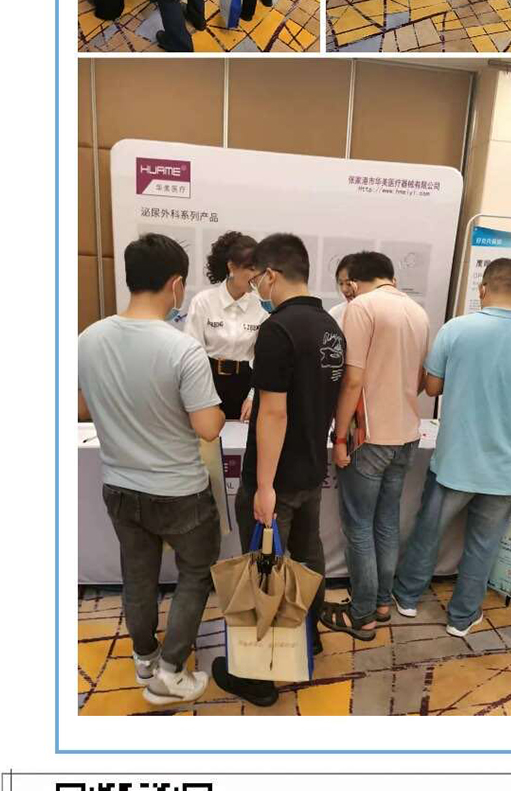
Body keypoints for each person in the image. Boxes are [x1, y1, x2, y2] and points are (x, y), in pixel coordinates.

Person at [78, 227, 222, 704]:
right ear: (176, 284)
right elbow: (208, 428)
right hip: (179, 491)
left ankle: (144, 657)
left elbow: (82, 407)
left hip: (120, 486)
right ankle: (170, 673)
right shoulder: (182, 349)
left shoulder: (89, 338)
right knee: (195, 574)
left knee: (137, 575)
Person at [393, 252, 511, 633]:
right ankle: (462, 617)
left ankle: (406, 597)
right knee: (483, 545)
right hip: (509, 468)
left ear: (483, 289)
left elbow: (432, 387)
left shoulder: (456, 329)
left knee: (428, 532)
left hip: (454, 462)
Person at [215, 228, 345, 693]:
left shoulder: (278, 329)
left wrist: (265, 486)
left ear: (271, 275)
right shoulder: (331, 327)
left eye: (257, 283)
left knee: (263, 568)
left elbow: (273, 412)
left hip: (277, 476)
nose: (258, 291)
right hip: (311, 468)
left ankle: (257, 675)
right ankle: (308, 636)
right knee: (308, 558)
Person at [332, 248, 430, 635]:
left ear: (355, 281)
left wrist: (340, 436)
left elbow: (352, 380)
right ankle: (383, 602)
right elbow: (421, 380)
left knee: (358, 525)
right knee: (386, 521)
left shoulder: (362, 307)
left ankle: (362, 613)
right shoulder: (418, 312)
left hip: (369, 436)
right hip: (407, 434)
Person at [185, 232, 264, 416]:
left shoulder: (261, 306)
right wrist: (201, 396)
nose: (256, 276)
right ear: (231, 267)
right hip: (207, 385)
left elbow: (264, 359)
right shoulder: (203, 302)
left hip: (246, 387)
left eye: (258, 269)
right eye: (250, 268)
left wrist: (253, 396)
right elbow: (192, 356)